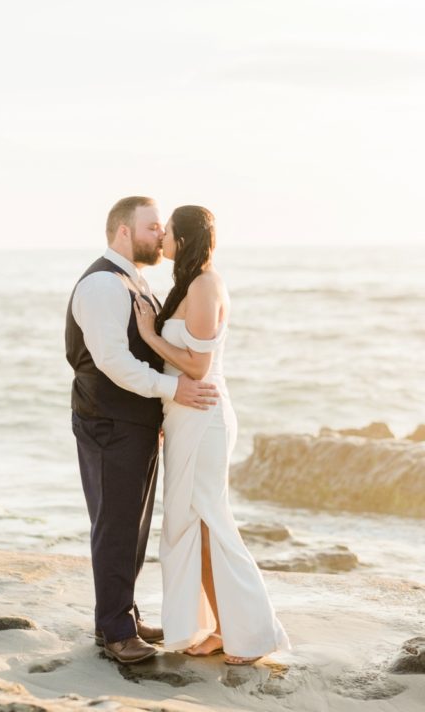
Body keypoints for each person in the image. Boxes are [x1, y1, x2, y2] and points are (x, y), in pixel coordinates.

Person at [65, 196, 219, 665]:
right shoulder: (101, 286)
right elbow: (113, 362)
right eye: (152, 227)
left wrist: (160, 411)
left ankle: (120, 616)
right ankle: (115, 631)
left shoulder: (137, 281)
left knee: (131, 524)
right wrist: (172, 390)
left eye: (161, 228)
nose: (161, 235)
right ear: (123, 232)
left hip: (134, 422)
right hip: (108, 421)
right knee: (115, 523)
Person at [133, 205, 289, 665]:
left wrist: (148, 332)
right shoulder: (187, 284)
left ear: (183, 238)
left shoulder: (205, 284)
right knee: (190, 526)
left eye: (167, 232)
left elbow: (198, 366)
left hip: (205, 418)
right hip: (184, 418)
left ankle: (254, 633)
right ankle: (221, 628)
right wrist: (165, 417)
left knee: (211, 524)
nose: (160, 237)